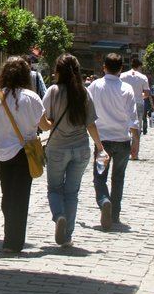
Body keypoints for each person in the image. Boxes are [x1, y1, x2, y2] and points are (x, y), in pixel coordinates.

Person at [0, 55, 51, 253]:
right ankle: (14, 240)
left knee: (7, 194)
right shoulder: (32, 97)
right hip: (25, 153)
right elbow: (44, 126)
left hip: (2, 153)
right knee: (21, 196)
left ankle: (9, 232)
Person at [43, 54, 108, 248]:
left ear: (58, 71)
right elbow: (91, 124)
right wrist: (101, 148)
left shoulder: (53, 92)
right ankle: (67, 236)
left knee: (54, 188)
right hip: (80, 149)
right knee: (72, 192)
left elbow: (44, 120)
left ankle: (59, 216)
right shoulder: (84, 93)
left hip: (57, 148)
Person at [88, 53, 139, 229]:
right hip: (122, 141)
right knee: (118, 178)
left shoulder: (95, 86)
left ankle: (103, 201)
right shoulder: (127, 88)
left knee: (100, 177)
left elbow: (87, 109)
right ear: (121, 69)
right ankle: (115, 214)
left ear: (104, 67)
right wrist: (136, 141)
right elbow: (133, 117)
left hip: (102, 143)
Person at [119, 59, 154, 159]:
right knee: (137, 127)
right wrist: (140, 96)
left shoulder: (122, 75)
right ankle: (135, 153)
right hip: (138, 103)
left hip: (124, 103)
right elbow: (147, 93)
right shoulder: (143, 77)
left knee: (124, 126)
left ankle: (123, 152)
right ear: (139, 66)